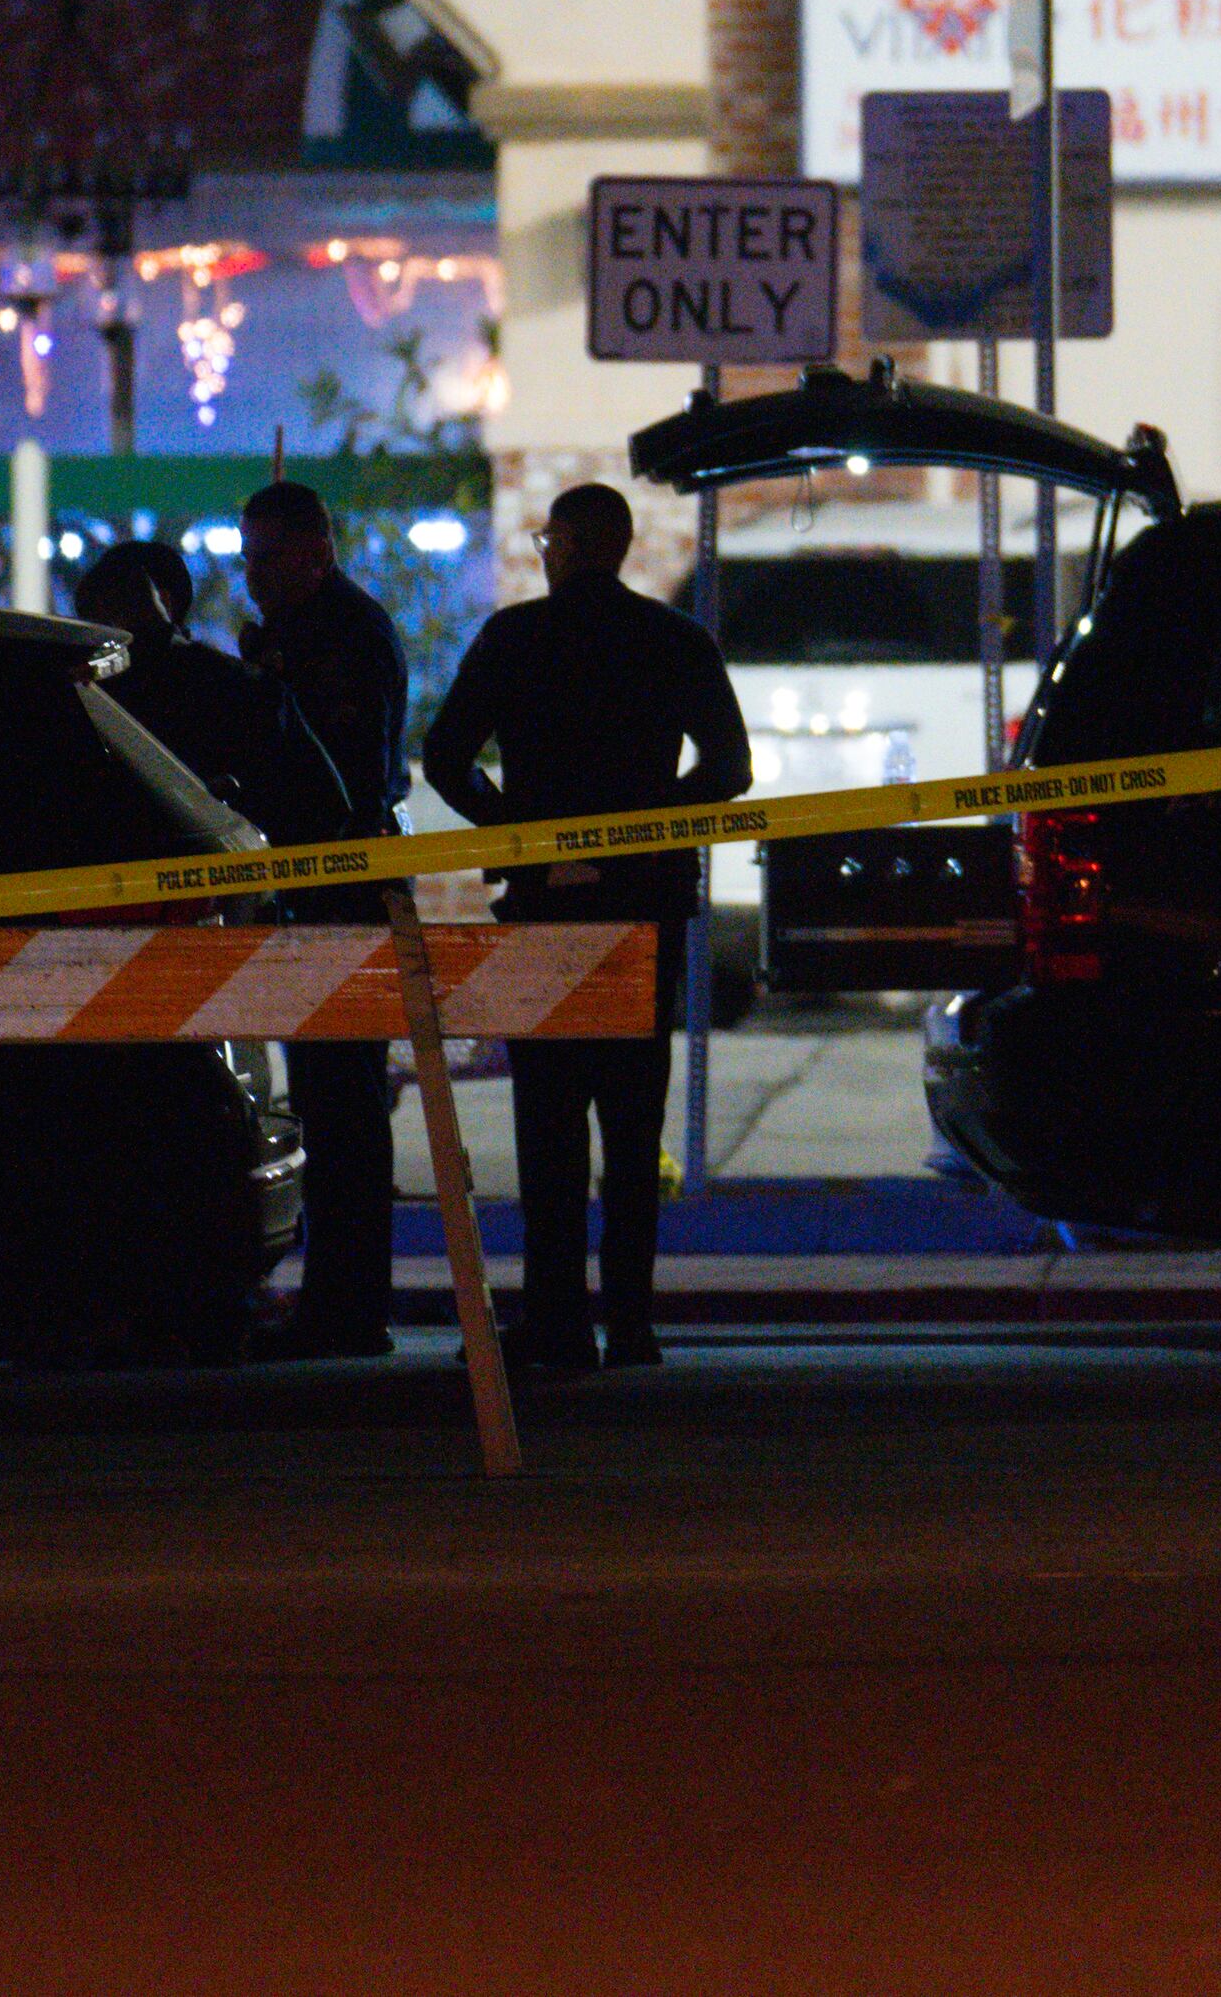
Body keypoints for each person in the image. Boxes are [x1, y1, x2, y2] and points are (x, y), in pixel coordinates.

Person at [418, 481, 750, 1376]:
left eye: (546, 537)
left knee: (550, 1122)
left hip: (545, 907)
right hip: (643, 907)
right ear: (624, 545)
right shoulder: (676, 639)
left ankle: (556, 1320)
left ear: (565, 544)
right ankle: (632, 1324)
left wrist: (509, 833)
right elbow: (730, 765)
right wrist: (652, 824)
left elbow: (445, 753)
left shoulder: (516, 638)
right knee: (633, 1125)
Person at [238, 479, 414, 1357]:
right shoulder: (308, 631)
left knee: (344, 1104)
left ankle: (350, 1305)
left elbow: (344, 775)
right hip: (318, 891)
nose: (251, 574)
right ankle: (339, 1298)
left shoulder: (342, 636)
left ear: (317, 551)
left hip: (344, 889)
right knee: (327, 1098)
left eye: (267, 557)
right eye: (246, 558)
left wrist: (273, 681)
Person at [70, 539, 350, 846]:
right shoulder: (247, 685)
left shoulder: (92, 699)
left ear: (162, 602)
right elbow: (328, 808)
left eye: (99, 623)